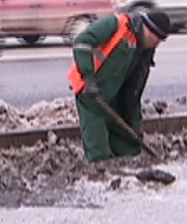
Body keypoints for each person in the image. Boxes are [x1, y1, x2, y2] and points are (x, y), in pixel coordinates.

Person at [68, 11, 171, 162]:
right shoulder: (117, 25)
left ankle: (125, 171)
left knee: (129, 146)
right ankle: (97, 176)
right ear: (148, 29)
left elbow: (134, 93)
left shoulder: (144, 51)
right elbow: (82, 42)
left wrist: (135, 125)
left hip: (113, 93)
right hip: (90, 92)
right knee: (98, 152)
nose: (158, 43)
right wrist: (89, 79)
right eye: (157, 38)